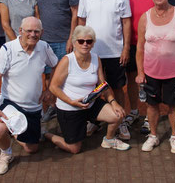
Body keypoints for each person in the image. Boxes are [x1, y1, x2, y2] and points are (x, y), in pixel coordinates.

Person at [0, 17, 58, 175]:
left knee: (31, 149)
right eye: (29, 31)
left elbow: (55, 66)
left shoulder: (44, 47)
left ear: (42, 33)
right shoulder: (7, 49)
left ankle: (11, 130)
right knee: (0, 129)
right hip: (10, 104)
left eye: (36, 31)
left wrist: (49, 89)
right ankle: (5, 153)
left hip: (33, 107)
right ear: (20, 31)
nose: (33, 34)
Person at [45, 25, 130, 153]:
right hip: (70, 107)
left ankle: (109, 139)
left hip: (91, 104)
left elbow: (102, 85)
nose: (85, 44)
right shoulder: (67, 60)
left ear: (93, 43)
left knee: (118, 115)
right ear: (74, 42)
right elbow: (53, 87)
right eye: (81, 41)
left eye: (89, 41)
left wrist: (114, 102)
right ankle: (46, 134)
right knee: (74, 149)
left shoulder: (96, 59)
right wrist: (71, 102)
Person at [136, 0, 175, 154]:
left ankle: (174, 137)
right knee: (152, 106)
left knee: (173, 106)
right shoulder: (145, 17)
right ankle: (153, 135)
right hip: (151, 72)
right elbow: (139, 47)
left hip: (174, 72)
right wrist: (140, 72)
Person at [77, 0, 132, 139]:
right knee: (94, 89)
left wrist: (125, 48)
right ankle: (94, 121)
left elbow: (126, 23)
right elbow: (81, 21)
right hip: (92, 53)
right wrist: (80, 48)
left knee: (117, 88)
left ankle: (121, 121)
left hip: (115, 53)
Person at [30, 0, 79, 122]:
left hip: (63, 40)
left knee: (63, 77)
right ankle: (51, 107)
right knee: (47, 76)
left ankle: (63, 108)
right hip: (43, 41)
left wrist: (71, 38)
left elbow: (75, 12)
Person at [124, 0, 154, 136]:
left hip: (150, 44)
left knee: (150, 79)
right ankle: (134, 111)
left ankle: (150, 116)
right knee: (131, 78)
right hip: (131, 43)